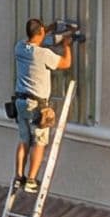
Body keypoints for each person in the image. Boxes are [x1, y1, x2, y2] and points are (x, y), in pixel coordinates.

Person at [10, 18, 75, 186]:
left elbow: (38, 40)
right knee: (39, 142)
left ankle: (19, 177)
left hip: (20, 102)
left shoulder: (19, 47)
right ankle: (31, 180)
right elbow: (66, 63)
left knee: (24, 140)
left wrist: (52, 28)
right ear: (41, 32)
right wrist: (66, 45)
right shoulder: (43, 54)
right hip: (37, 106)